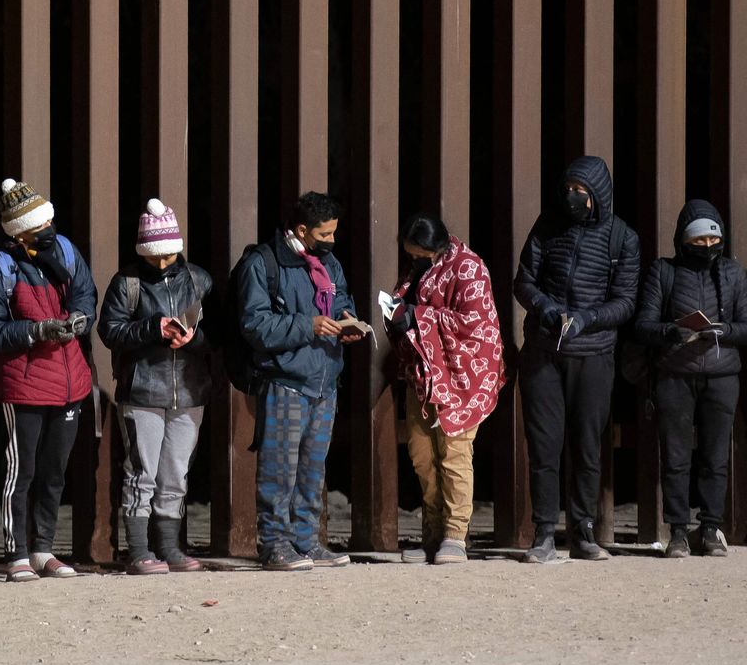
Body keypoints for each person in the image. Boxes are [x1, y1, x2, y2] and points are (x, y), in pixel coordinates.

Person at [513, 155, 640, 563]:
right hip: (544, 353)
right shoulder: (546, 226)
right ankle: (544, 533)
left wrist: (588, 319)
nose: (571, 197)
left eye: (580, 192)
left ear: (597, 195)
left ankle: (583, 531)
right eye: (567, 189)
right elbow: (524, 281)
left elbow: (625, 302)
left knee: (588, 446)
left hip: (593, 355)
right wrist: (546, 309)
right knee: (544, 445)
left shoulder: (623, 238)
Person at [0, 178, 99, 582]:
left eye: (50, 221)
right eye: (40, 225)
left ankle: (44, 549)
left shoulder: (65, 251)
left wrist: (80, 318)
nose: (49, 229)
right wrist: (37, 330)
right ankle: (17, 554)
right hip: (23, 383)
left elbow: (86, 293)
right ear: (20, 231)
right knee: (20, 471)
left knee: (54, 471)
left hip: (69, 380)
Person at [235, 191, 367, 572]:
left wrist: (347, 320)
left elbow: (341, 297)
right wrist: (307, 325)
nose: (332, 241)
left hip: (324, 381)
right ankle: (275, 544)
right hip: (286, 382)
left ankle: (306, 542)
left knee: (313, 470)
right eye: (325, 234)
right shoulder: (263, 264)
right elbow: (254, 325)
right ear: (302, 229)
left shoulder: (329, 264)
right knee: (279, 470)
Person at [633, 201, 747, 559]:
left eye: (711, 238)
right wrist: (671, 331)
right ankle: (676, 531)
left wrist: (725, 329)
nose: (706, 246)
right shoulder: (664, 271)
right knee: (675, 457)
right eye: (698, 239)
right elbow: (642, 324)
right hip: (675, 374)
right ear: (683, 240)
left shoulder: (733, 273)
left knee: (715, 457)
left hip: (722, 375)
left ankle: (709, 528)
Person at [98, 198, 216, 575]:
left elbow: (218, 334)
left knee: (176, 473)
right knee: (141, 471)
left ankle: (169, 546)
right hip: (142, 390)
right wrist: (153, 328)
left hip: (190, 389)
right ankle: (138, 549)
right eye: (155, 257)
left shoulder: (199, 280)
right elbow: (109, 331)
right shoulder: (127, 283)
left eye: (168, 256)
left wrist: (193, 339)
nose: (163, 263)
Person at [388, 214, 503, 566]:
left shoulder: (470, 269)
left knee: (454, 455)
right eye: (409, 255)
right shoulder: (418, 268)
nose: (413, 260)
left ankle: (455, 534)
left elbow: (474, 323)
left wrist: (418, 317)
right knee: (422, 455)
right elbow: (407, 299)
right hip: (424, 376)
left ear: (434, 248)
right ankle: (432, 532)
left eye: (417, 254)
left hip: (462, 374)